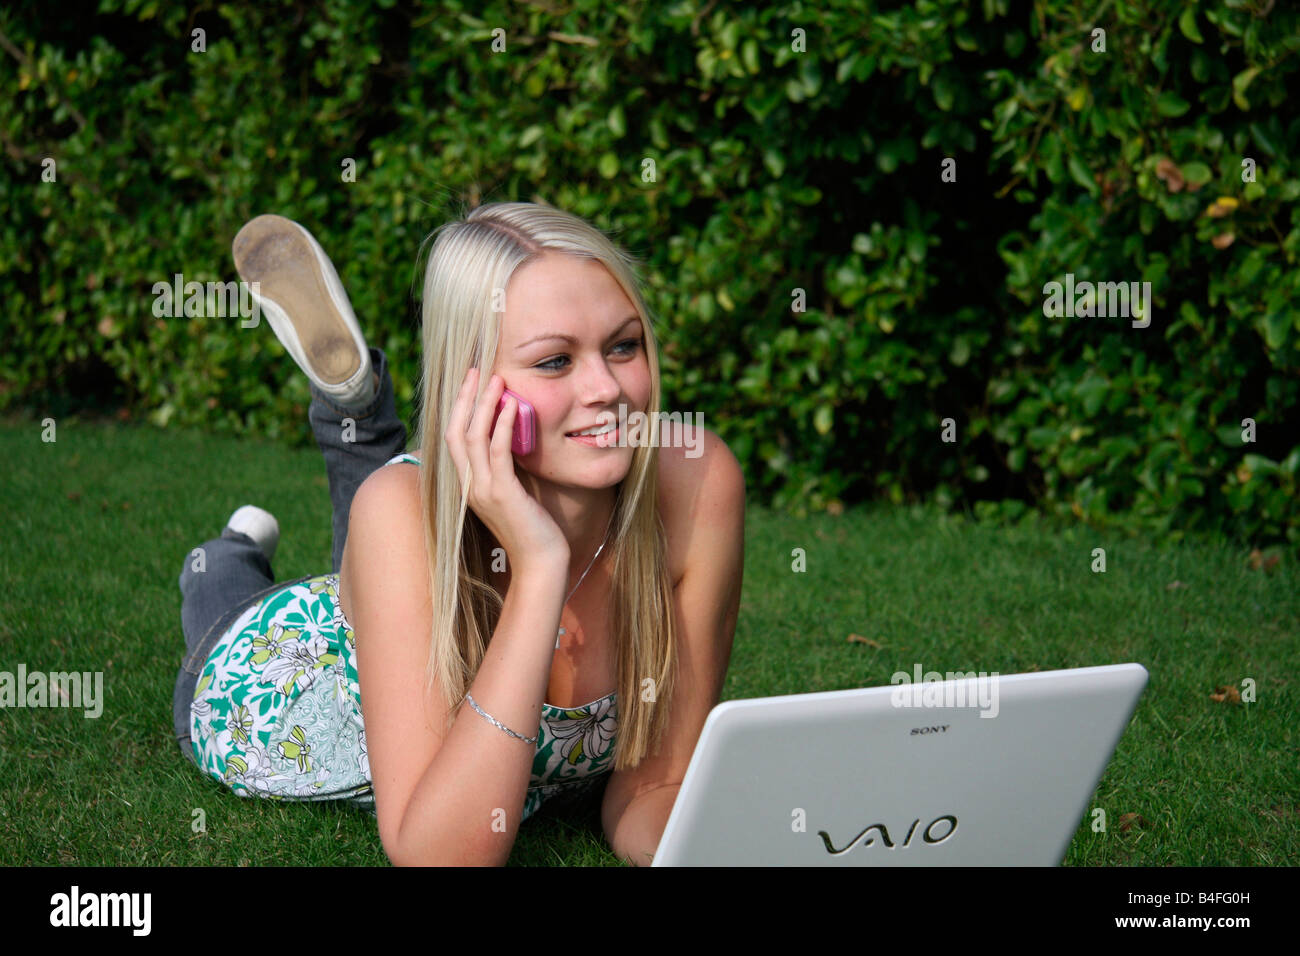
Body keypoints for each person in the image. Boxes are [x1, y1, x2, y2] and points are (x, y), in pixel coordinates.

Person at [172, 203, 746, 866]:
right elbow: (441, 855)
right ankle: (234, 546)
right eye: (556, 361)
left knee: (388, 520)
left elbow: (659, 784)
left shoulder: (699, 485)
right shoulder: (402, 518)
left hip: (404, 567)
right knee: (240, 583)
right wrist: (537, 567)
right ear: (470, 386)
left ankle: (357, 412)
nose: (607, 388)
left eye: (623, 346)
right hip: (281, 677)